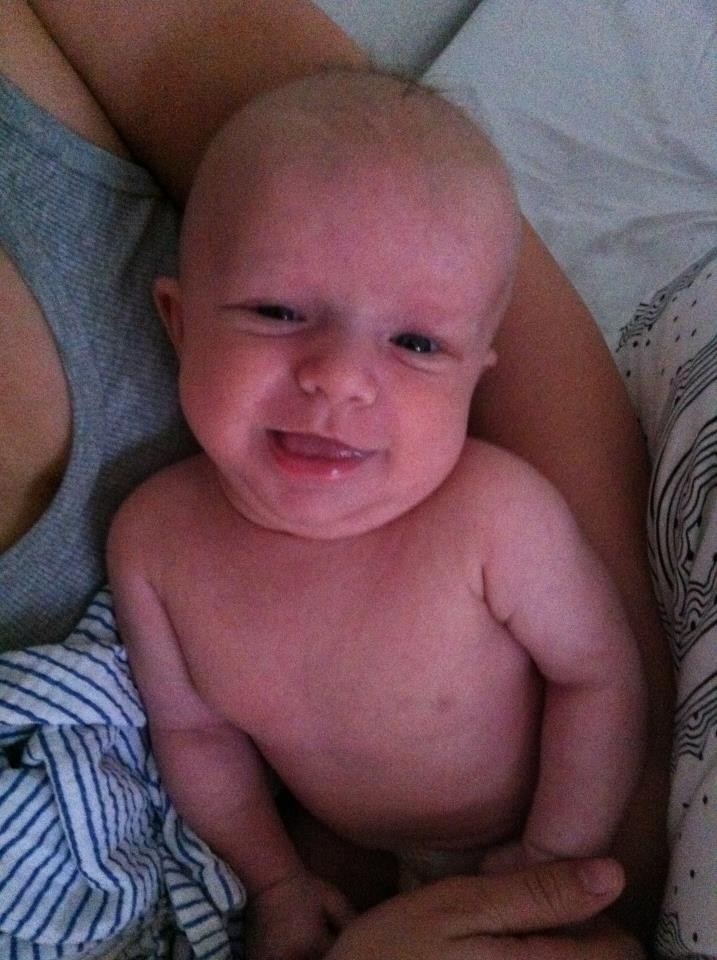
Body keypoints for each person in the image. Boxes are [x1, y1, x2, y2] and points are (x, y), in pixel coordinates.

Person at [0, 1, 671, 957]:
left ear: (477, 374)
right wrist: (274, 878)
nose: (340, 378)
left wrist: (556, 854)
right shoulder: (154, 539)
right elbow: (198, 738)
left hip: (531, 831)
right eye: (277, 312)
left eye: (416, 343)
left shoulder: (495, 516)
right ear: (179, 322)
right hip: (333, 849)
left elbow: (599, 678)